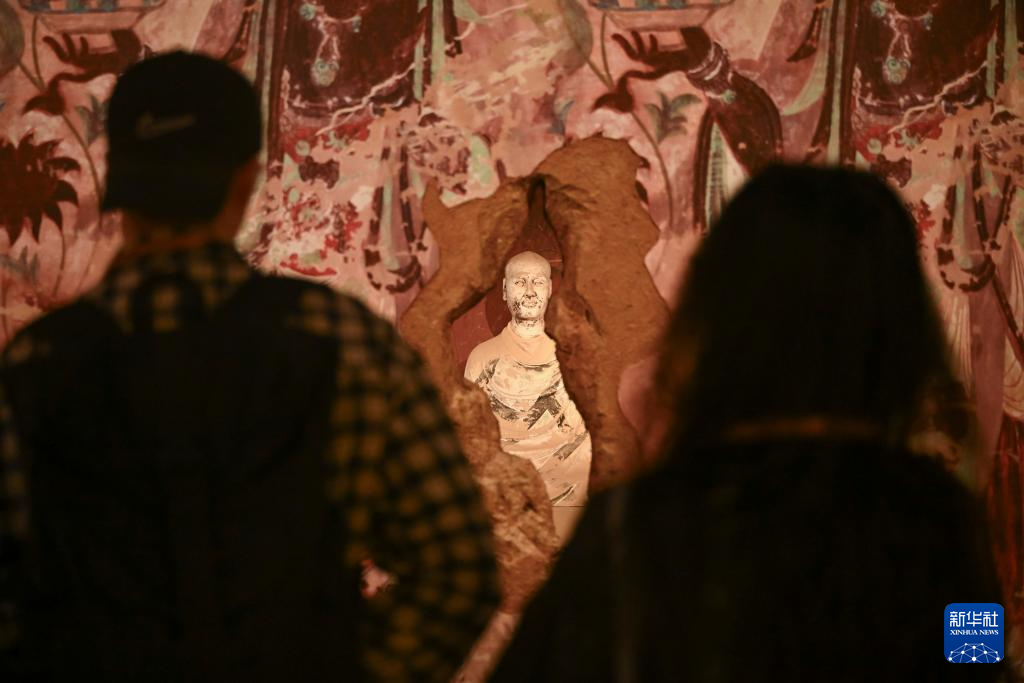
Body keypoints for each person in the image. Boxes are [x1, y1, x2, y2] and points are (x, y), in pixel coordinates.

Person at [0, 52, 499, 682]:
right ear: (244, 179)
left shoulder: (36, 365)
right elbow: (458, 569)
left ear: (118, 177)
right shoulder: (342, 341)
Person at [491, 165, 1007, 682]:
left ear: (719, 312)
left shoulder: (632, 527)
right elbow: (981, 667)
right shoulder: (941, 520)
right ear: (896, 320)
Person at [464, 251, 591, 542]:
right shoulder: (483, 358)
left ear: (550, 289)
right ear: (505, 291)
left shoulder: (571, 355)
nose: (530, 291)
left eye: (538, 282)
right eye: (520, 282)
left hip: (566, 480)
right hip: (508, 487)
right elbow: (474, 432)